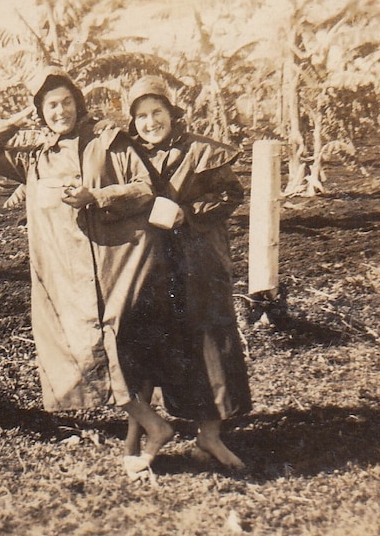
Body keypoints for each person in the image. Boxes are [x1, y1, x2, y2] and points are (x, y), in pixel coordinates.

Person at [0, 66, 173, 481]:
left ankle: (152, 429)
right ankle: (144, 432)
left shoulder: (108, 141)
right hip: (65, 274)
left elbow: (143, 187)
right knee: (84, 351)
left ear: (78, 103)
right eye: (50, 106)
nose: (59, 111)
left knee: (114, 348)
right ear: (40, 113)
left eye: (65, 102)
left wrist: (95, 196)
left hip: (115, 264)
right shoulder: (36, 157)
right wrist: (12, 122)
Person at [124, 75, 252, 470]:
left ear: (171, 113)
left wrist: (189, 213)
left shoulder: (201, 151)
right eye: (141, 116)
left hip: (199, 263)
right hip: (152, 264)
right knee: (146, 344)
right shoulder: (130, 155)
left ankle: (209, 437)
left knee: (210, 345)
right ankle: (135, 442)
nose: (150, 123)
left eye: (156, 112)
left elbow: (232, 195)